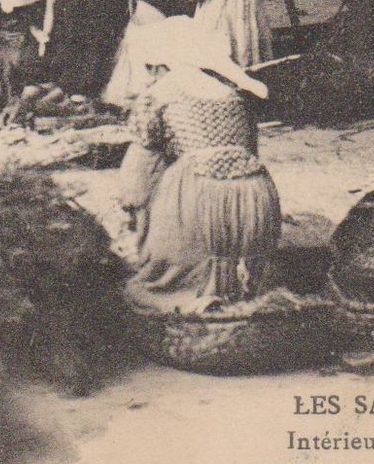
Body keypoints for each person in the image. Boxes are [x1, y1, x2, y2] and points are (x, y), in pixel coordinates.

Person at [117, 16, 277, 314]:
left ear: (160, 64)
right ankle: (238, 282)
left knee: (149, 280)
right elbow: (249, 151)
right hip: (256, 198)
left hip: (200, 195)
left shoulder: (157, 96)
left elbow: (136, 177)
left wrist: (136, 219)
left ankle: (196, 291)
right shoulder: (232, 94)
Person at [0, 0, 134, 102]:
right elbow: (37, 45)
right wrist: (31, 84)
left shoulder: (74, 2)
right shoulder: (38, 9)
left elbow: (86, 50)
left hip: (124, 27)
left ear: (33, 4)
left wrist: (63, 89)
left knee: (80, 96)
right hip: (89, 38)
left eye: (22, 10)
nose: (20, 16)